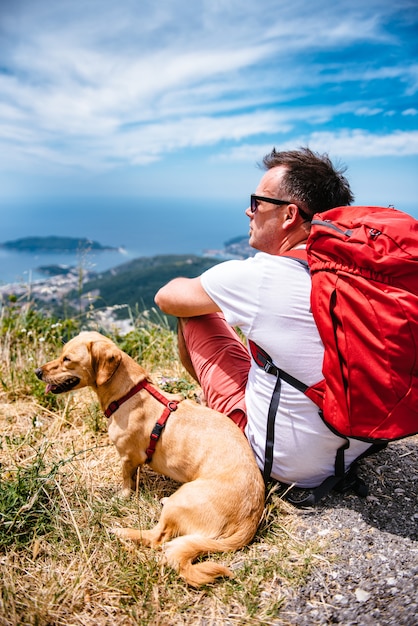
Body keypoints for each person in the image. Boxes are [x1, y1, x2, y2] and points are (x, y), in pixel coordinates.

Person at [154, 147, 371, 490]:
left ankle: (220, 416)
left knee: (194, 316)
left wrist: (219, 299)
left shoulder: (264, 275)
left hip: (288, 464)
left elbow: (167, 299)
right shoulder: (362, 270)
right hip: (359, 442)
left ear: (289, 215)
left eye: (257, 202)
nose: (248, 210)